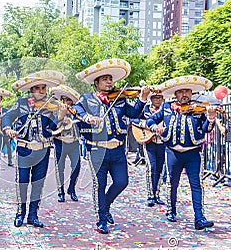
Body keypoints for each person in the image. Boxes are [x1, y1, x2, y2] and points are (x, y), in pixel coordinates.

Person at [73, 58, 150, 234]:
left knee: (122, 181)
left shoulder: (120, 99)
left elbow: (134, 112)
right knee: (99, 185)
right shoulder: (87, 99)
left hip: (117, 150)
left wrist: (143, 98)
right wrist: (86, 118)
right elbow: (77, 110)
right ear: (96, 82)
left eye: (111, 79)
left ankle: (105, 205)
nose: (110, 82)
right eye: (105, 79)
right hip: (97, 149)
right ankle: (101, 219)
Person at [146, 75, 217, 230]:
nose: (184, 94)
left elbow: (206, 129)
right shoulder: (166, 107)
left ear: (191, 93)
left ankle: (199, 217)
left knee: (196, 184)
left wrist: (210, 119)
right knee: (172, 182)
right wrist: (155, 128)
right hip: (172, 152)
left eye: (188, 91)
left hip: (193, 153)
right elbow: (150, 120)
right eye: (181, 92)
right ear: (175, 94)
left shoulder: (199, 109)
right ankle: (171, 211)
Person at [2, 70, 67, 228]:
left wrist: (60, 116)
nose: (41, 92)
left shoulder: (50, 106)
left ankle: (33, 215)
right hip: (24, 150)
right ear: (31, 90)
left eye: (43, 89)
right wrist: (8, 128)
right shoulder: (21, 103)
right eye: (37, 88)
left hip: (43, 150)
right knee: (22, 183)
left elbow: (52, 128)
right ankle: (20, 213)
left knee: (38, 184)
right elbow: (7, 117)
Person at [131, 92, 166, 207]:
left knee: (160, 168)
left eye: (160, 98)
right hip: (149, 141)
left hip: (162, 142)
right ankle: (150, 195)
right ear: (151, 99)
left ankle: (157, 194)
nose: (158, 100)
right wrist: (145, 125)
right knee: (151, 167)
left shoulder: (166, 110)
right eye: (155, 98)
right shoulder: (145, 110)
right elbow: (133, 119)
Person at [51, 85, 81, 202]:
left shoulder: (77, 111)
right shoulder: (55, 112)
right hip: (60, 143)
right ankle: (60, 191)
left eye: (68, 100)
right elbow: (51, 127)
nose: (65, 102)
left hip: (74, 142)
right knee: (60, 168)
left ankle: (72, 188)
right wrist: (60, 117)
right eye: (63, 100)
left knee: (77, 167)